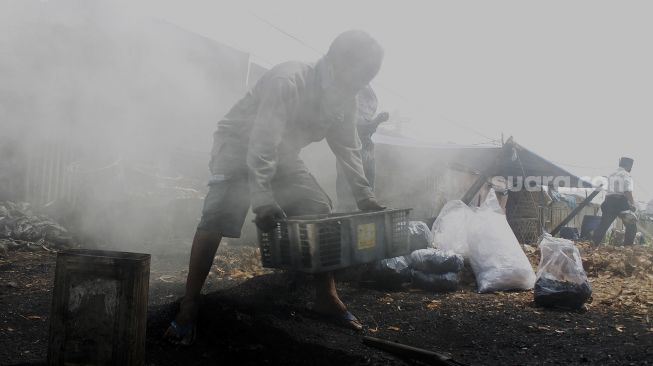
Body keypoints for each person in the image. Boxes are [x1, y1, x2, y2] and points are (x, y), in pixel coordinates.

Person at [164, 30, 386, 345]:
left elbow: (348, 149)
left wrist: (366, 197)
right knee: (218, 216)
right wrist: (263, 198)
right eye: (361, 74)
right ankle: (189, 303)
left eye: (369, 77)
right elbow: (262, 140)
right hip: (238, 143)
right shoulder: (290, 80)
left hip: (282, 154)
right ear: (339, 61)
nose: (362, 83)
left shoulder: (344, 99)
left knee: (317, 208)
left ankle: (326, 294)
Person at [335, 85, 389, 212]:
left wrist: (375, 121)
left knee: (368, 187)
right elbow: (360, 126)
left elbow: (367, 129)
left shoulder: (366, 116)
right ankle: (348, 211)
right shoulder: (349, 113)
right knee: (348, 192)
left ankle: (365, 209)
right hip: (350, 154)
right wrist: (377, 120)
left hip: (367, 153)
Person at [592, 157, 637, 246]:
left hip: (608, 201)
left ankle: (592, 245)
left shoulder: (612, 174)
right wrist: (632, 203)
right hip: (620, 202)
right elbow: (627, 190)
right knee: (631, 226)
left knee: (603, 225)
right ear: (629, 165)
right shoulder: (626, 174)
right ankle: (627, 248)